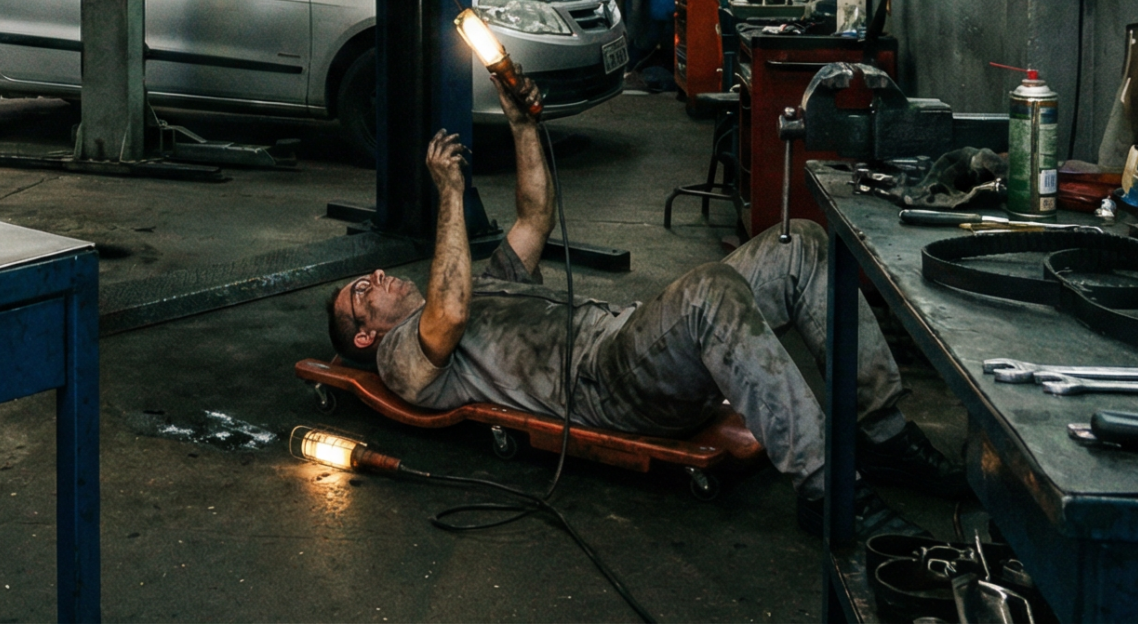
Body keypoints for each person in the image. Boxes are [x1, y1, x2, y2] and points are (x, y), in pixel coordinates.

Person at [325, 90, 962, 538]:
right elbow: (450, 308)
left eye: (369, 276)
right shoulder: (400, 358)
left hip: (630, 341)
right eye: (363, 291)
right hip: (607, 386)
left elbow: (534, 218)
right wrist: (451, 195)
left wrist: (521, 124)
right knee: (709, 289)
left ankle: (881, 433)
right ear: (364, 332)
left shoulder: (489, 286)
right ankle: (826, 490)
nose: (377, 278)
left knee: (801, 246)